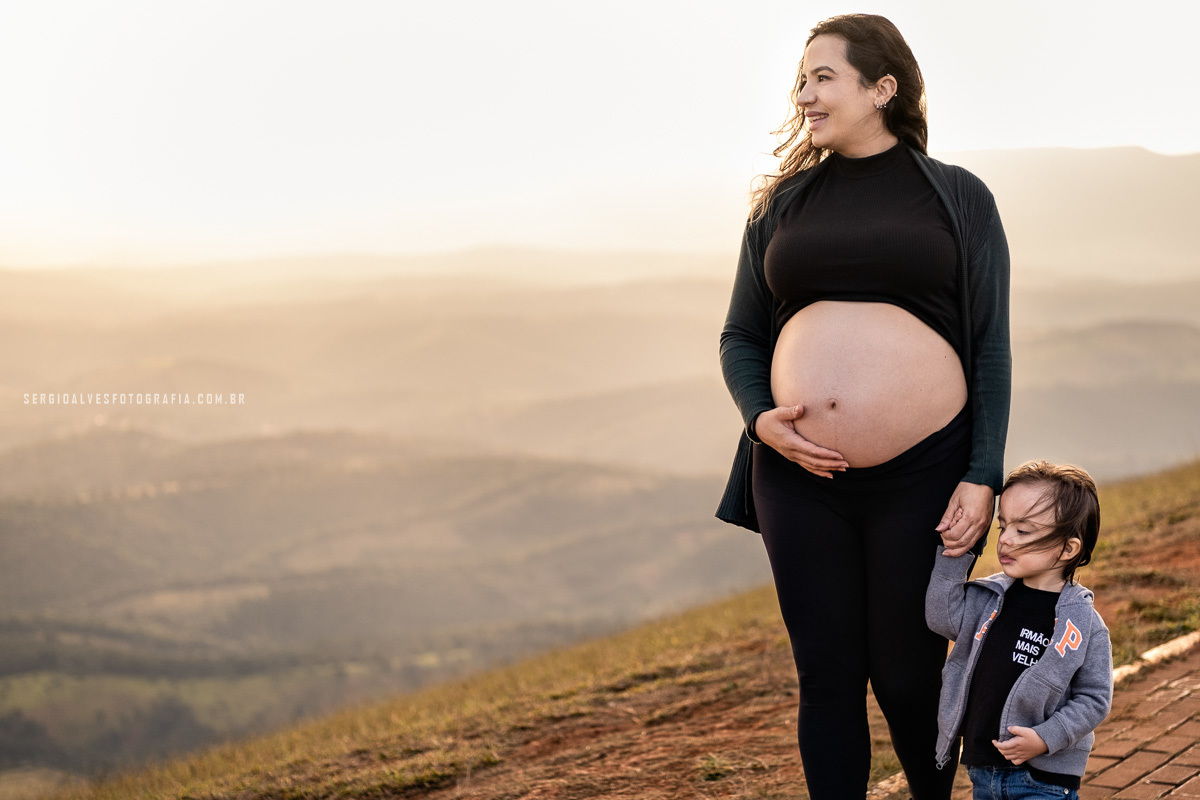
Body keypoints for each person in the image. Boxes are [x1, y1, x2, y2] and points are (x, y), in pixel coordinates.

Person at [715, 12, 1011, 800]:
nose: (804, 95)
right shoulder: (782, 204)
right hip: (796, 475)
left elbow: (989, 346)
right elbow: (740, 335)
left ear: (882, 88)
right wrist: (758, 418)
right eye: (801, 79)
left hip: (925, 476)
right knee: (829, 676)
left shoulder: (957, 198)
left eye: (823, 77)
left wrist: (983, 473)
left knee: (909, 676)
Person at [926, 460, 1112, 799]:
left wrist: (1046, 738)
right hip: (983, 770)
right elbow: (942, 617)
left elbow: (1094, 698)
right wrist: (956, 552)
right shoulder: (989, 599)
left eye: (1023, 531)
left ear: (1068, 548)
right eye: (1003, 527)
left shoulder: (1085, 624)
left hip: (1044, 778)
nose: (1006, 540)